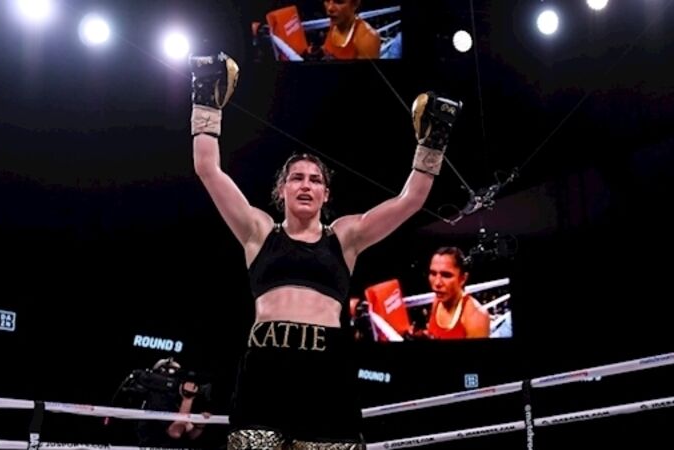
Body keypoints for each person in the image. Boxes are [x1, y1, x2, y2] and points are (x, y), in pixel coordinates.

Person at [189, 52, 462, 449]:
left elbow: (411, 200)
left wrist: (435, 139)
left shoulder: (345, 237)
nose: (306, 185)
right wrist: (205, 100)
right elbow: (208, 169)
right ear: (282, 190)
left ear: (326, 194)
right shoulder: (258, 231)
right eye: (296, 178)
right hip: (265, 369)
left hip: (326, 370)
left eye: (315, 180)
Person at [424, 247, 490, 339]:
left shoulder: (477, 316)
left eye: (446, 275)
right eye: (433, 273)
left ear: (463, 279)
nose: (437, 283)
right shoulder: (437, 300)